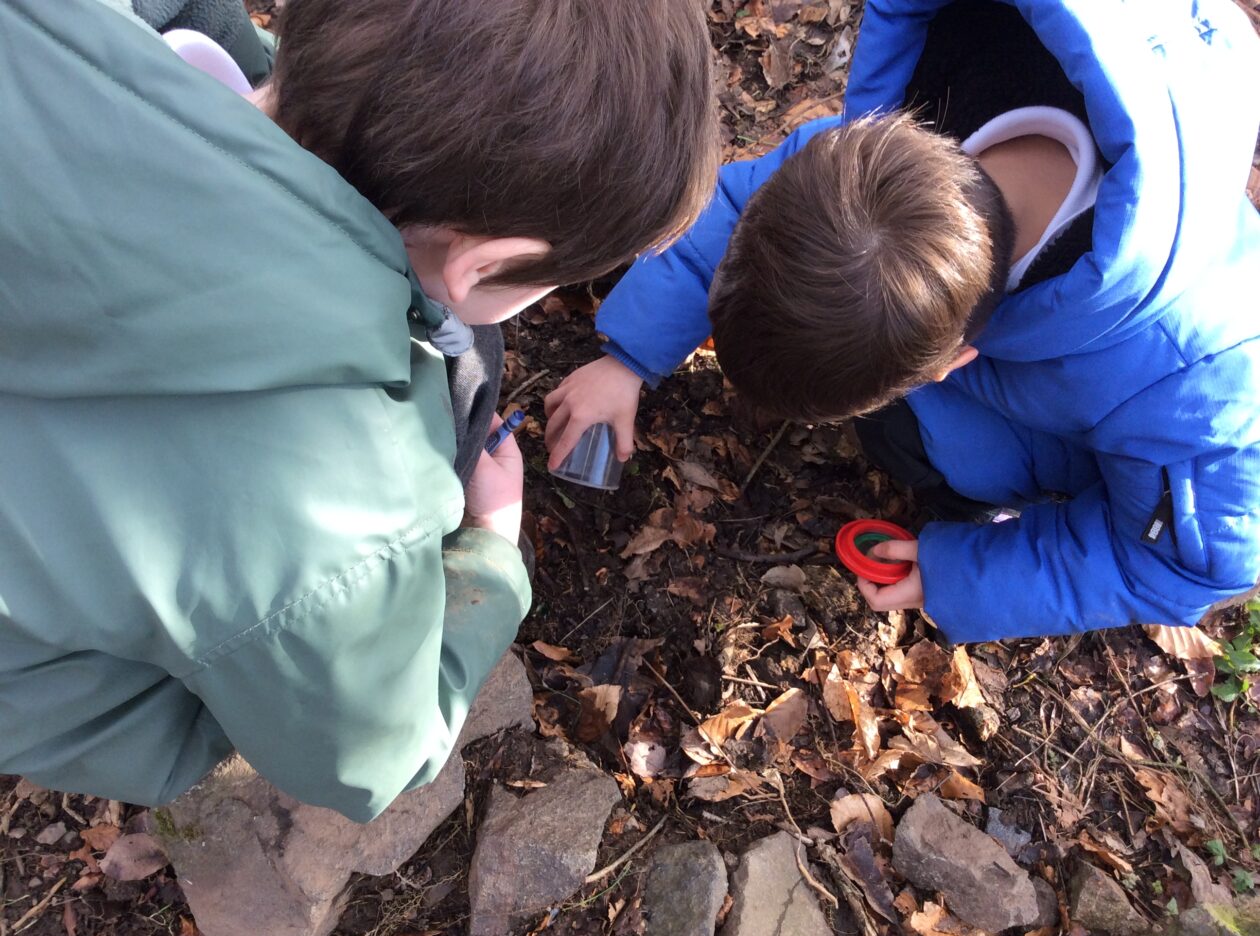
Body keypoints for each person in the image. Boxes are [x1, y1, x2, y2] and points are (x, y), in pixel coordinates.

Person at [0, 0, 718, 822]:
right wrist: (490, 553)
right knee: (472, 363)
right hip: (61, 683)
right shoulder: (338, 518)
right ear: (485, 266)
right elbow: (374, 753)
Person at [545, 0, 1260, 643]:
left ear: (952, 364)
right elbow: (739, 209)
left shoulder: (1203, 392)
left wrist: (963, 574)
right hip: (1057, 340)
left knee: (914, 444)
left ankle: (983, 492)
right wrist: (628, 357)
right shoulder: (884, 167)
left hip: (1108, 399)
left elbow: (1184, 564)